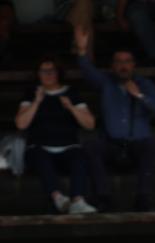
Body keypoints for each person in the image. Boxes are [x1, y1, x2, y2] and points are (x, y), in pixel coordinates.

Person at [74, 25, 155, 211]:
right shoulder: (106, 83)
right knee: (91, 147)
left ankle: (143, 199)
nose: (123, 66)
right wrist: (82, 50)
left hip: (138, 144)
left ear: (133, 65)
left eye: (127, 61)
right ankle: (103, 198)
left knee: (150, 146)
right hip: (113, 144)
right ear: (113, 65)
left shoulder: (144, 84)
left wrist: (140, 96)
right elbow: (87, 71)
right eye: (119, 62)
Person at [15, 56, 97, 214]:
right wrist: (37, 101)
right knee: (40, 157)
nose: (48, 75)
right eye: (44, 71)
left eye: (52, 71)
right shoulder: (31, 94)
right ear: (38, 74)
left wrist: (71, 107)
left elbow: (90, 124)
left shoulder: (71, 93)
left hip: (68, 147)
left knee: (79, 157)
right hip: (40, 147)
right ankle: (58, 198)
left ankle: (78, 201)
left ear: (58, 73)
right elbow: (21, 124)